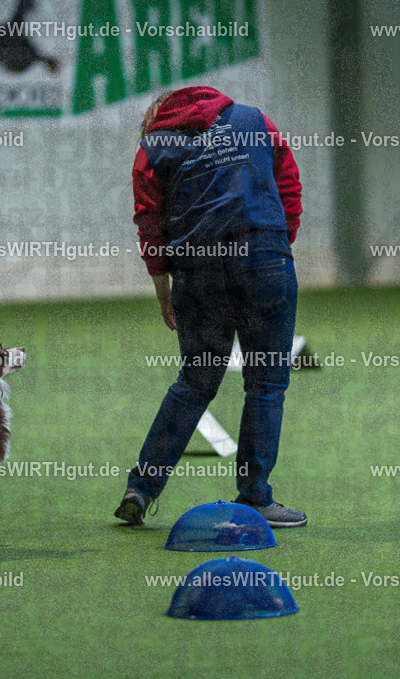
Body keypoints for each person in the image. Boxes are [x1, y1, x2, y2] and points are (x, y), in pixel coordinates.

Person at [113, 86, 306, 527]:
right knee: (266, 384)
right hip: (265, 259)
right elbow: (289, 186)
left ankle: (141, 488)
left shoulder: (152, 147)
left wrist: (162, 284)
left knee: (195, 382)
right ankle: (256, 497)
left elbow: (149, 219)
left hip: (197, 272)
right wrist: (275, 249)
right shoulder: (255, 121)